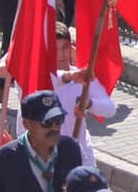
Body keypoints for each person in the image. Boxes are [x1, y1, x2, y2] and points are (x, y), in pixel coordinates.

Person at [50, 25, 117, 168]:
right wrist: (70, 76)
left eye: (65, 48)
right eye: (55, 49)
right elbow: (54, 80)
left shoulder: (84, 77)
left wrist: (89, 104)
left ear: (71, 48)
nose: (61, 54)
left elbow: (110, 109)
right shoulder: (43, 78)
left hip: (80, 154)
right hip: (49, 156)